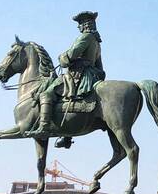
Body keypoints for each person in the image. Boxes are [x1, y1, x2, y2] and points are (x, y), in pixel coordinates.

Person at [28, 11, 105, 140]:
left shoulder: (85, 37)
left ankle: (43, 127)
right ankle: (66, 135)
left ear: (85, 25)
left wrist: (62, 57)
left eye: (80, 23)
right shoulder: (96, 41)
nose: (78, 27)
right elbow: (99, 65)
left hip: (79, 74)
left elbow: (72, 54)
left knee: (46, 94)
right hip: (92, 74)